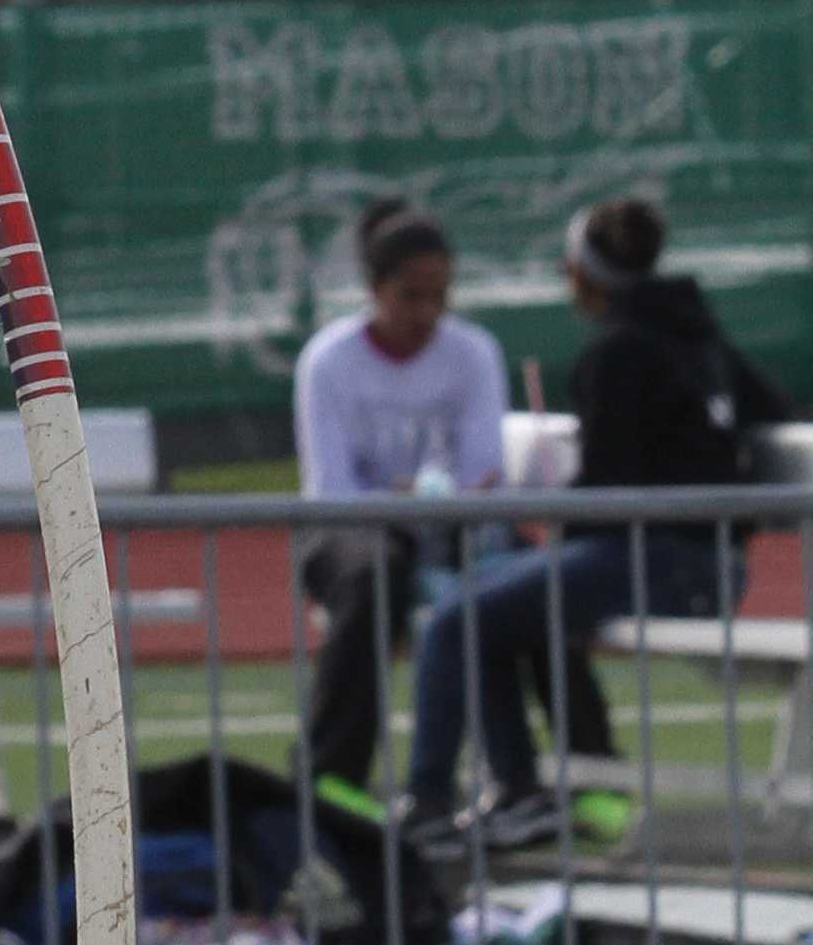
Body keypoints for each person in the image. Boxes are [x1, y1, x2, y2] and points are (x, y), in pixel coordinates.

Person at [404, 190, 791, 841]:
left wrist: (554, 510)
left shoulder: (619, 352)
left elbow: (607, 496)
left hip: (663, 562)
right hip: (705, 561)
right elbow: (766, 412)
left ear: (587, 273)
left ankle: (427, 803)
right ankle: (521, 792)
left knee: (454, 619)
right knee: (488, 610)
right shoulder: (700, 336)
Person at [291, 196, 508, 837]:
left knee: (529, 580)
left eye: (439, 295)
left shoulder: (472, 354)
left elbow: (483, 471)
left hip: (452, 528)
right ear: (374, 289)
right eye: (411, 296)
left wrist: (430, 497)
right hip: (351, 533)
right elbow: (333, 489)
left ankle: (554, 780)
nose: (427, 314)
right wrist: (425, 496)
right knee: (371, 575)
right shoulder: (329, 360)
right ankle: (330, 779)